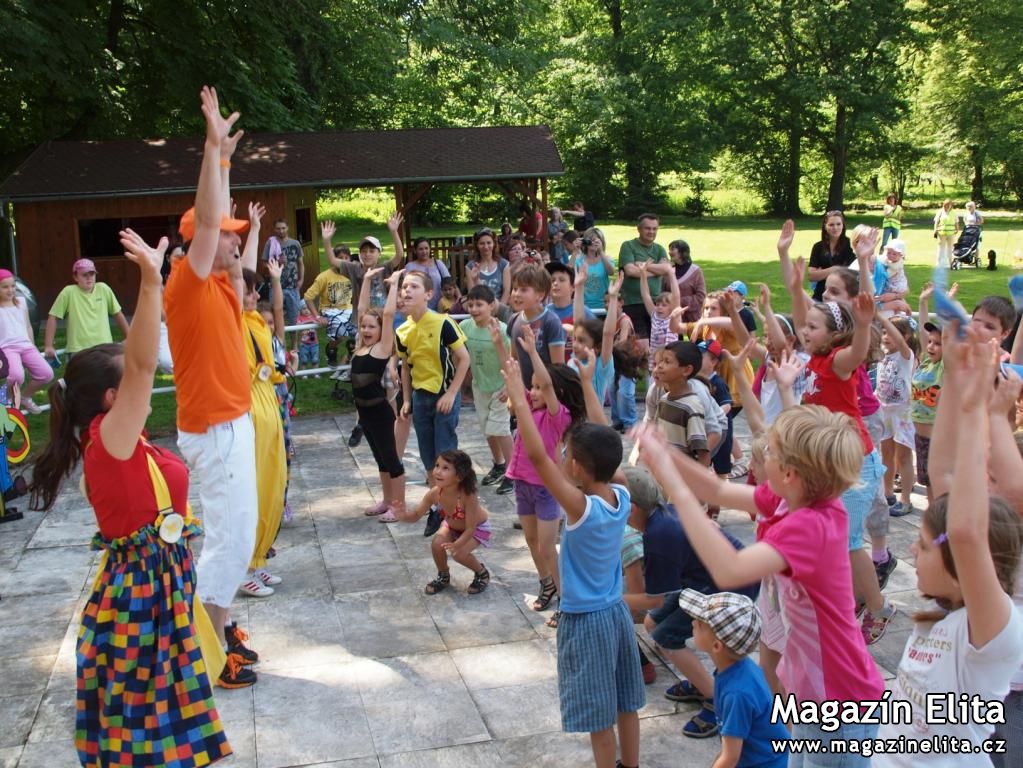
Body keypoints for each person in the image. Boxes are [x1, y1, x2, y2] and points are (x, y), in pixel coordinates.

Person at [29, 227, 232, 766]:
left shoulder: (127, 440)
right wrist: (150, 280)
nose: (145, 374)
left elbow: (138, 361)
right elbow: (141, 362)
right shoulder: (109, 443)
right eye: (133, 378)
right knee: (142, 734)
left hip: (160, 585)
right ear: (115, 398)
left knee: (167, 727)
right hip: (139, 596)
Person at [636, 406, 887, 763]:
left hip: (841, 701)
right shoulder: (793, 498)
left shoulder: (813, 525)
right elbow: (716, 489)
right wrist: (666, 456)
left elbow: (730, 570)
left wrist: (675, 487)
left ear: (790, 473)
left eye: (770, 450)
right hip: (811, 691)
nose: (761, 453)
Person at [875, 330, 1023, 766]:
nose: (979, 484)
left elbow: (966, 531)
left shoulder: (989, 560)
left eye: (989, 476)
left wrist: (987, 409)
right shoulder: (943, 611)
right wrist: (957, 382)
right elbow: (939, 473)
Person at [503, 358, 644, 768]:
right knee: (626, 702)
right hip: (615, 613)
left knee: (599, 717)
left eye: (566, 454)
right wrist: (585, 384)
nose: (560, 458)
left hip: (585, 620)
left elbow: (537, 455)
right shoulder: (621, 498)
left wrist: (517, 394)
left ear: (578, 468)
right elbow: (604, 439)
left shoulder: (582, 508)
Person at [163, 86, 259, 687]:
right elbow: (206, 217)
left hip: (233, 424)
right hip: (216, 430)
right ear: (201, 239)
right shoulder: (189, 281)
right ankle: (203, 648)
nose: (234, 239)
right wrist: (210, 152)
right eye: (227, 234)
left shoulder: (223, 283)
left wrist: (225, 162)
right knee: (229, 541)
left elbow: (221, 232)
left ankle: (218, 629)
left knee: (237, 537)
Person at [788, 227, 896, 646]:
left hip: (855, 463)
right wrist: (796, 284)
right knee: (834, 538)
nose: (804, 332)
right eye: (806, 327)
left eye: (813, 328)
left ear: (833, 336)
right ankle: (840, 601)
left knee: (850, 542)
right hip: (830, 461)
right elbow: (802, 318)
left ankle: (879, 608)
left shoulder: (837, 361)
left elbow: (856, 351)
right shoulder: (814, 357)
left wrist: (865, 324)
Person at [620, 466, 757, 739]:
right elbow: (658, 600)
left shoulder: (659, 535)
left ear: (632, 508)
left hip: (731, 583)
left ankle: (716, 700)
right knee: (652, 623)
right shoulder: (660, 516)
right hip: (704, 578)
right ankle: (700, 682)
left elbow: (653, 597)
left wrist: (610, 599)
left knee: (667, 637)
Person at [505, 323, 586, 626]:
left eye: (540, 388)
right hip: (523, 483)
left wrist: (533, 352)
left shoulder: (558, 416)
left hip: (546, 488)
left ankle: (566, 601)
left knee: (546, 546)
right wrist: (503, 346)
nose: (535, 391)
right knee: (530, 539)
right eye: (534, 387)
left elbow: (548, 385)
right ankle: (547, 584)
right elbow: (513, 378)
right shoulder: (531, 408)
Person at [677, 590, 790, 767]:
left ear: (717, 646)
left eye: (699, 623)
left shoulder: (736, 693)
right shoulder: (742, 667)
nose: (693, 622)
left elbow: (730, 757)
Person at [237, 232, 288, 598]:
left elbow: (244, 275)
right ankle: (240, 569)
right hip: (247, 403)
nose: (255, 296)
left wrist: (254, 228)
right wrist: (251, 233)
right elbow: (233, 275)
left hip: (268, 397)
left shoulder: (255, 320)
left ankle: (258, 559)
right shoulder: (228, 320)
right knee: (249, 490)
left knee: (273, 486)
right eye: (249, 290)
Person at [396, 271, 470, 488]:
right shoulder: (403, 330)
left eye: (414, 286)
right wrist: (407, 400)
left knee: (445, 454)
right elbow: (406, 368)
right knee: (427, 454)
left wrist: (452, 393)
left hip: (444, 396)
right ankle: (437, 501)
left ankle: (454, 500)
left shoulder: (443, 322)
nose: (407, 290)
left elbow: (464, 359)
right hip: (420, 398)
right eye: (404, 286)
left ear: (429, 294)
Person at [352, 267, 407, 523]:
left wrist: (394, 283)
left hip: (381, 414)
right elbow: (361, 309)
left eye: (371, 327)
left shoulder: (382, 349)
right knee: (380, 460)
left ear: (380, 329)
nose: (365, 329)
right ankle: (386, 501)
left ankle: (399, 505)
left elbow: (387, 313)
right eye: (363, 326)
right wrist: (365, 280)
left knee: (392, 460)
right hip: (365, 415)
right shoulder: (359, 349)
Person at [396, 450, 492, 594]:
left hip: (476, 528)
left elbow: (470, 528)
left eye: (445, 468)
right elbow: (416, 515)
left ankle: (482, 573)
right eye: (437, 466)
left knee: (459, 554)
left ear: (459, 476)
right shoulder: (435, 493)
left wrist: (457, 544)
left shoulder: (468, 495)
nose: (438, 472)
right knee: (436, 545)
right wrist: (402, 515)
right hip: (451, 525)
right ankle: (443, 576)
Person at [460, 285, 515, 496]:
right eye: (471, 304)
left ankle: (512, 472)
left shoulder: (501, 330)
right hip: (480, 386)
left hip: (500, 387)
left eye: (479, 305)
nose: (474, 309)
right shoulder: (465, 326)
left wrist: (509, 387)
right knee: (487, 429)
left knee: (500, 429)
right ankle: (499, 464)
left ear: (492, 306)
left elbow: (512, 359)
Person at [44, 258, 131, 363]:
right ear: (75, 277)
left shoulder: (104, 289)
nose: (89, 278)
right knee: (79, 379)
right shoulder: (68, 292)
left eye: (92, 274)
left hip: (104, 348)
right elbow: (53, 317)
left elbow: (118, 314)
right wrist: (48, 345)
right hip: (78, 349)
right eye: (84, 275)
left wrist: (129, 336)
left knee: (106, 378)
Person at [875, 314, 918, 517]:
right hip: (885, 409)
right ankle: (888, 491)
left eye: (890, 332)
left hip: (902, 412)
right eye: (883, 332)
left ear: (906, 336)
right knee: (886, 454)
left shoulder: (905, 354)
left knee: (903, 456)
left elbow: (899, 341)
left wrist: (882, 319)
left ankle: (906, 499)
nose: (886, 336)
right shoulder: (883, 354)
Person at [644, 341, 710, 464]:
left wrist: (696, 482)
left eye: (667, 362)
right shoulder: (664, 400)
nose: (659, 366)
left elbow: (703, 454)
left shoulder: (692, 407)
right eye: (660, 361)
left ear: (686, 370)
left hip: (682, 477)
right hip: (664, 472)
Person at [0, 268, 53, 412]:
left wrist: (33, 345)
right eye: (5, 287)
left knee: (47, 374)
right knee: (16, 376)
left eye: (13, 286)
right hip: (6, 348)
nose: (10, 290)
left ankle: (25, 397)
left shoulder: (21, 303)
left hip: (26, 345)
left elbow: (28, 326)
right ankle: (7, 399)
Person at [619, 213, 673, 349]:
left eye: (655, 229)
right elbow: (630, 271)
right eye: (647, 228)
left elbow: (666, 269)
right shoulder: (628, 246)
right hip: (633, 302)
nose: (651, 232)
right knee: (641, 345)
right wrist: (656, 270)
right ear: (639, 229)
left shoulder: (659, 249)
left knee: (658, 341)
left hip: (656, 303)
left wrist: (644, 267)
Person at [508, 264, 566, 388]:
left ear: (540, 295)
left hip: (547, 392)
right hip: (524, 393)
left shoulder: (551, 321)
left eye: (523, 289)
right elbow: (514, 359)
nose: (516, 294)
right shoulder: (514, 320)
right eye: (515, 288)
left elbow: (559, 367)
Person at [913, 285, 945, 506]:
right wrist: (923, 302)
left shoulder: (945, 368)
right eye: (931, 342)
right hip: (921, 437)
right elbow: (924, 335)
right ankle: (935, 524)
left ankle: (943, 527)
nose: (931, 346)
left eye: (938, 343)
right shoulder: (926, 361)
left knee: (940, 484)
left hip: (938, 439)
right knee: (929, 485)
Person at [261, 217, 304, 344]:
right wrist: (275, 262)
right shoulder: (271, 243)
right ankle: (278, 343)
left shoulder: (295, 244)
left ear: (288, 228)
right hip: (275, 285)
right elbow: (264, 262)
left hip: (292, 286)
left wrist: (301, 279)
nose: (281, 231)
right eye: (278, 228)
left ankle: (294, 344)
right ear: (274, 229)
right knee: (275, 314)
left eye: (283, 228)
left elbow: (301, 263)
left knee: (294, 316)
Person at [637, 260, 680, 371]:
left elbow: (676, 296)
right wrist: (642, 273)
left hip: (670, 358)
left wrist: (671, 274)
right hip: (655, 358)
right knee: (655, 382)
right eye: (658, 304)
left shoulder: (673, 316)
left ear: (671, 307)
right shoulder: (654, 315)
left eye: (664, 305)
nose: (659, 307)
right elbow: (645, 294)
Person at [807, 210, 855, 301]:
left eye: (838, 224)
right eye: (831, 225)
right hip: (820, 295)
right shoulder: (818, 247)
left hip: (843, 297)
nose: (835, 228)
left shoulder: (850, 245)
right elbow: (811, 276)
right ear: (825, 226)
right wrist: (834, 269)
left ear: (843, 225)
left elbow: (852, 273)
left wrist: (822, 273)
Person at [465, 228, 511, 305]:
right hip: (479, 307)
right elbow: (471, 293)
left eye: (489, 243)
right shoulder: (470, 266)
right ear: (477, 245)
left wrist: (499, 310)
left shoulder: (504, 264)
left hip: (500, 307)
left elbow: (506, 291)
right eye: (482, 243)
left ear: (494, 244)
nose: (486, 247)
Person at [572, 229, 615, 311]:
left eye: (595, 241)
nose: (592, 243)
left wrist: (601, 252)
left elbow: (611, 272)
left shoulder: (607, 259)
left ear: (601, 242)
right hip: (583, 305)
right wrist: (575, 250)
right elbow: (569, 273)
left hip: (603, 305)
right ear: (584, 241)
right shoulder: (578, 259)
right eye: (590, 240)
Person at [405, 237, 450, 311]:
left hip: (440, 307)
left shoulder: (438, 263)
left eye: (426, 248)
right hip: (419, 308)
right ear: (415, 251)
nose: (424, 251)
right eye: (421, 249)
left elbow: (449, 281)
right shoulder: (410, 266)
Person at [670, 240, 706, 324]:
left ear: (682, 252)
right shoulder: (669, 271)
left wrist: (678, 302)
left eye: (672, 249)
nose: (669, 252)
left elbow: (701, 296)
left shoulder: (696, 271)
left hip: (693, 318)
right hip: (673, 317)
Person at [933, 199, 958, 268]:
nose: (946, 206)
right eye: (945, 205)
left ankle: (951, 263)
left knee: (950, 248)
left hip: (951, 233)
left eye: (948, 205)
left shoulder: (954, 213)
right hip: (941, 233)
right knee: (941, 248)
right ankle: (939, 263)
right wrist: (935, 230)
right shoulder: (940, 212)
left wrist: (957, 229)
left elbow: (956, 222)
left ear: (951, 205)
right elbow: (936, 222)